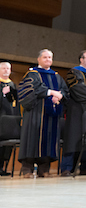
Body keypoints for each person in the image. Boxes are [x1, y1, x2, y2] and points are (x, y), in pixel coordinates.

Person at [17, 49, 68, 178]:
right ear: (39, 59)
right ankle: (27, 169)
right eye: (45, 57)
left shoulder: (56, 76)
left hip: (51, 115)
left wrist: (60, 96)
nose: (48, 60)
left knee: (49, 139)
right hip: (36, 113)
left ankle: (44, 169)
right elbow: (30, 89)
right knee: (32, 139)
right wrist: (51, 92)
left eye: (50, 57)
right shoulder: (32, 74)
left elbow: (64, 90)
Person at [0, 61, 19, 176]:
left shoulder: (12, 84)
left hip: (10, 119)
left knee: (7, 145)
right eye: (3, 68)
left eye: (8, 68)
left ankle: (2, 167)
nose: (6, 70)